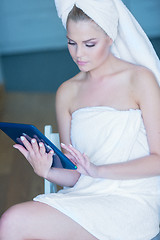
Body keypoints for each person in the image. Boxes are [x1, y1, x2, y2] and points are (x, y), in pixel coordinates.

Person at [0, 0, 160, 239]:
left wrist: (98, 170)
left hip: (132, 201)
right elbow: (75, 175)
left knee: (14, 222)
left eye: (89, 44)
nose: (79, 53)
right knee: (11, 221)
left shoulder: (139, 80)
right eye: (71, 43)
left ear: (110, 37)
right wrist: (47, 171)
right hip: (85, 197)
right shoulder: (67, 92)